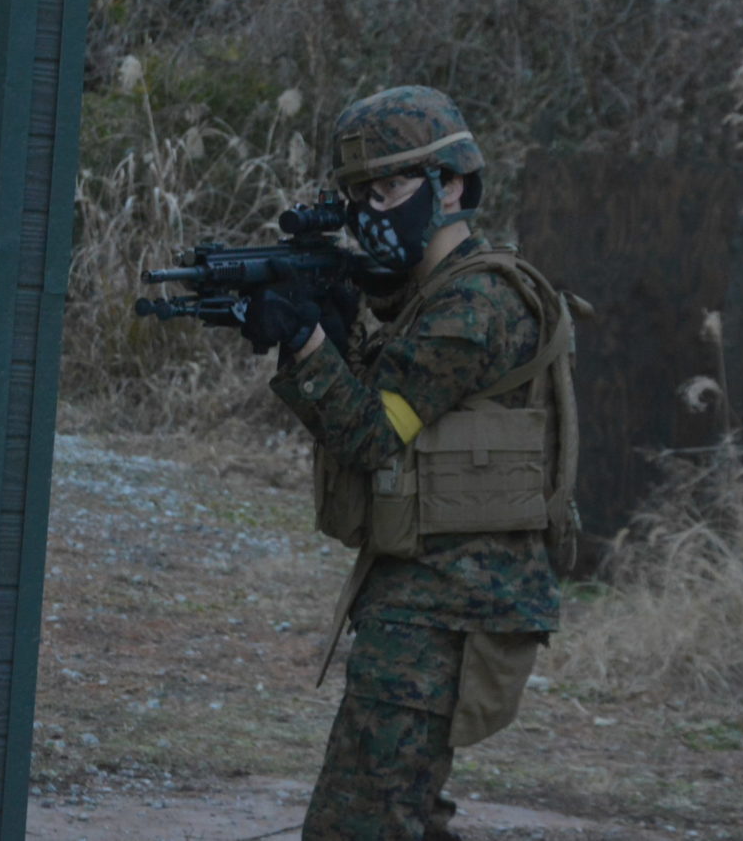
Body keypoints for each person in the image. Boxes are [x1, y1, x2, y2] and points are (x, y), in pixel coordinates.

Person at [235, 85, 579, 841]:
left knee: (361, 822)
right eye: (357, 197)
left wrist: (307, 343)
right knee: (399, 815)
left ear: (449, 187)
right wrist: (331, 333)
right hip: (427, 596)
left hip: (449, 606)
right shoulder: (431, 297)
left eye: (385, 192)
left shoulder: (475, 307)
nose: (367, 215)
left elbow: (369, 437)